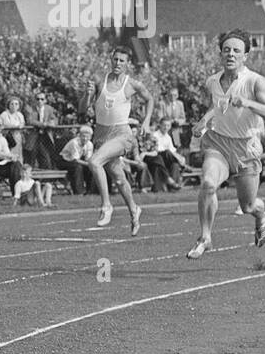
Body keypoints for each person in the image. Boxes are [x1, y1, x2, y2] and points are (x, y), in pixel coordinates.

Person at [186, 30, 265, 258]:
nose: (231, 54)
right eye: (226, 49)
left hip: (245, 149)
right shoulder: (213, 81)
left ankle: (261, 217)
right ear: (221, 53)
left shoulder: (255, 81)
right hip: (217, 143)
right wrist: (203, 122)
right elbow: (217, 107)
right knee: (208, 184)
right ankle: (205, 237)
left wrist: (248, 102)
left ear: (245, 55)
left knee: (248, 206)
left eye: (236, 50)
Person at [84, 46, 153, 234]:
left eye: (122, 60)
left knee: (94, 162)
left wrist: (146, 122)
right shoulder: (100, 80)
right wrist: (88, 94)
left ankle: (106, 206)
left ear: (127, 64)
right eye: (115, 59)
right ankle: (134, 210)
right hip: (101, 136)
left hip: (122, 135)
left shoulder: (133, 84)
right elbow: (83, 108)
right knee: (120, 179)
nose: (118, 63)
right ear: (111, 60)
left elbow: (150, 99)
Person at [59, 125, 95, 195]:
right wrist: (88, 164)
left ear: (90, 137)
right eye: (83, 136)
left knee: (90, 168)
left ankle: (90, 191)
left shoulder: (90, 144)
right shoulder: (74, 143)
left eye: (87, 137)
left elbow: (88, 159)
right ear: (79, 135)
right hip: (64, 161)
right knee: (78, 167)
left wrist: (90, 165)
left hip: (77, 160)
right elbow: (75, 160)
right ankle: (79, 192)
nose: (85, 138)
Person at [28, 93, 59, 169]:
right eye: (38, 99)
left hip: (45, 136)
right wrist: (43, 124)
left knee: (46, 158)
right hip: (34, 136)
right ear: (35, 100)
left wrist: (51, 123)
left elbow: (55, 120)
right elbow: (30, 121)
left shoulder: (49, 108)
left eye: (42, 99)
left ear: (45, 100)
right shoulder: (30, 108)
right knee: (31, 157)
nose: (40, 101)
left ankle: (46, 179)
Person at [0, 96, 26, 163]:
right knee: (8, 154)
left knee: (18, 154)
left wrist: (20, 126)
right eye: (12, 104)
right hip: (7, 137)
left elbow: (22, 124)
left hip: (17, 137)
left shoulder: (20, 115)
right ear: (8, 105)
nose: (14, 106)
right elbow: (6, 124)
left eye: (16, 104)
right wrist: (17, 126)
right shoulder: (4, 114)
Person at [161, 86, 187, 150]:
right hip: (166, 126)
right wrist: (171, 121)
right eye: (170, 95)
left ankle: (176, 147)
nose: (172, 97)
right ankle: (176, 146)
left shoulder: (180, 104)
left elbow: (183, 118)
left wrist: (177, 121)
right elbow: (160, 118)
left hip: (177, 126)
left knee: (175, 129)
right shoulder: (162, 104)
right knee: (174, 130)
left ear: (177, 95)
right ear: (167, 95)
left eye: (175, 95)